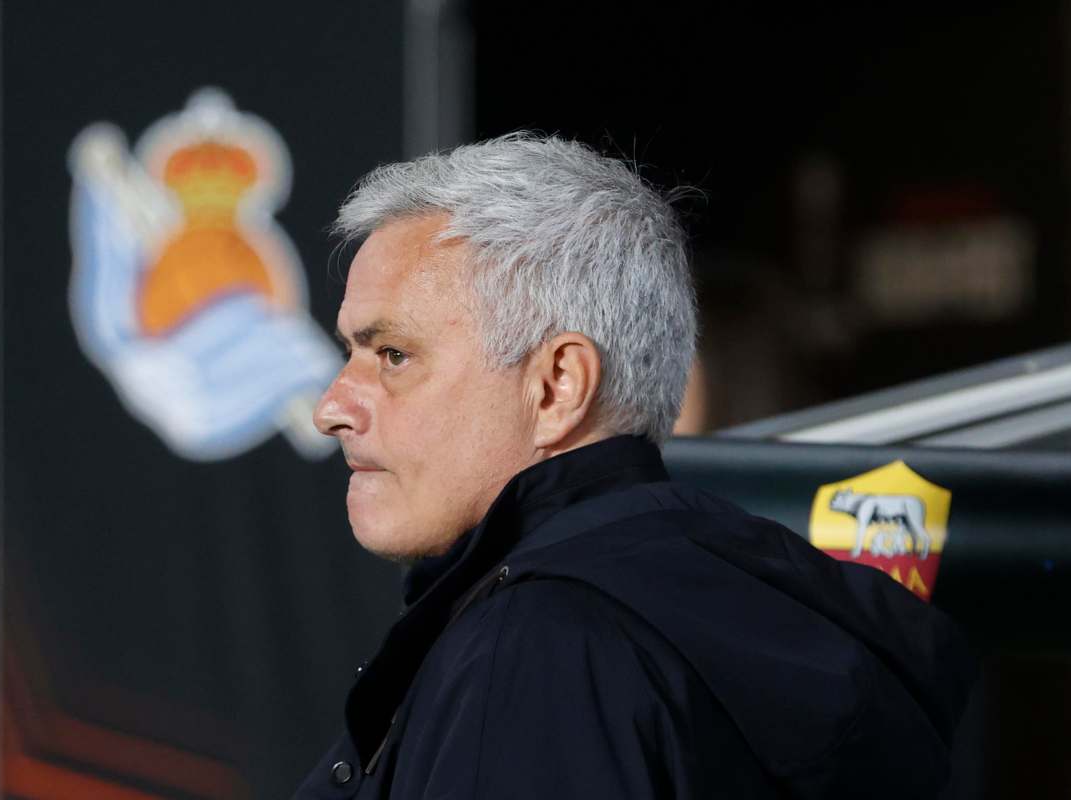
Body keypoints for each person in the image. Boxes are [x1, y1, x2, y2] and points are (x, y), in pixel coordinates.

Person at [294, 134, 974, 799]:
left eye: (393, 356)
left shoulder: (540, 647)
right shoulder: (724, 611)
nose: (332, 408)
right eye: (351, 353)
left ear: (558, 387)